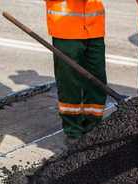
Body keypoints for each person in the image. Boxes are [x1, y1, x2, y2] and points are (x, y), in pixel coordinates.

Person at [45, 0, 107, 145]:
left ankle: (93, 124)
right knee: (68, 81)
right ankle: (73, 129)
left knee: (96, 78)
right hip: (66, 29)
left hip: (94, 25)